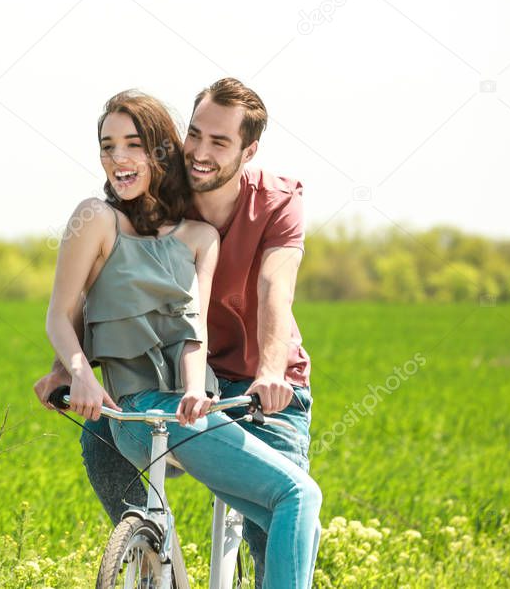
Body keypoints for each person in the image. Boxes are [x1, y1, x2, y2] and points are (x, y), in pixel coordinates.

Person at [44, 88, 321, 589]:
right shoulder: (140, 205)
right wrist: (71, 370)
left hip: (259, 383)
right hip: (163, 397)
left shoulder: (269, 204)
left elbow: (271, 293)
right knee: (100, 442)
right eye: (194, 133)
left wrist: (269, 372)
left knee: (272, 530)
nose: (200, 151)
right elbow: (84, 299)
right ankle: (153, 560)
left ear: (248, 150)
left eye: (219, 140)